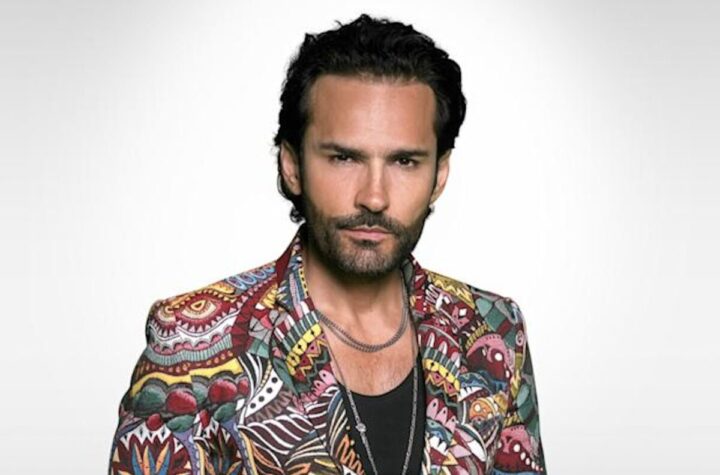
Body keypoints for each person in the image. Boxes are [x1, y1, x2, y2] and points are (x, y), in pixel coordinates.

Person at [109, 13, 545, 475]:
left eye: (404, 162)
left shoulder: (494, 329)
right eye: (343, 158)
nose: (374, 197)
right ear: (292, 165)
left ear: (439, 175)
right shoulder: (189, 344)